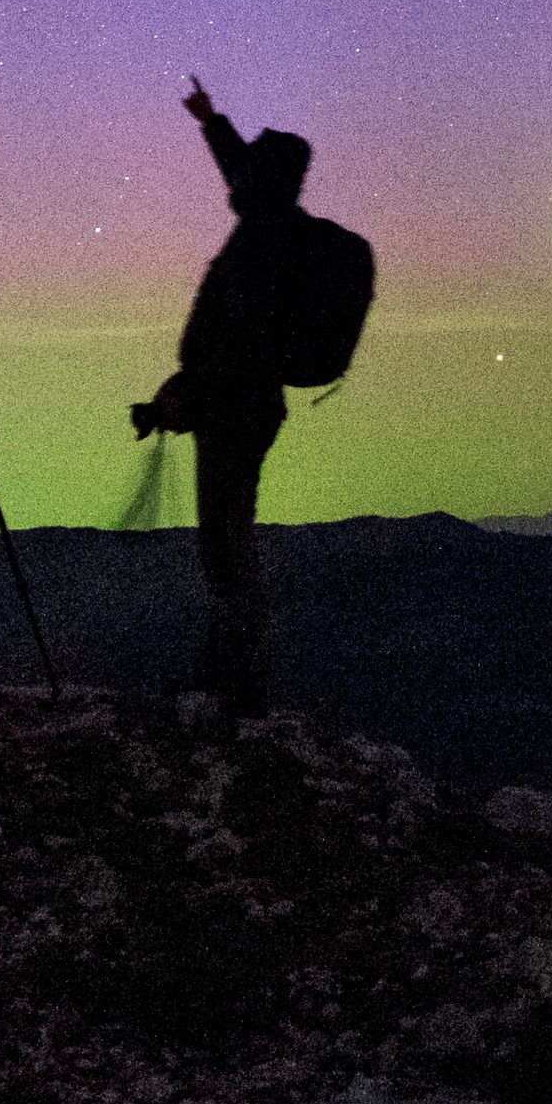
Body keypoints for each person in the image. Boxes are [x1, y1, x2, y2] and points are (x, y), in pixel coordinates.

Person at [129, 77, 344, 714]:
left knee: (226, 545)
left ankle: (235, 682)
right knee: (229, 540)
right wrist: (211, 121)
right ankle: (232, 675)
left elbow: (230, 355)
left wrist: (178, 400)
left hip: (234, 411)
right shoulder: (273, 226)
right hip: (240, 408)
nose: (238, 179)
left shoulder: (263, 245)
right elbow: (241, 174)